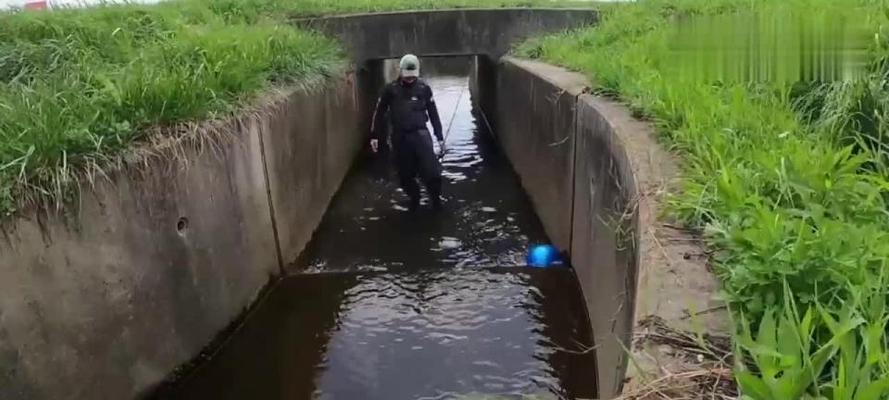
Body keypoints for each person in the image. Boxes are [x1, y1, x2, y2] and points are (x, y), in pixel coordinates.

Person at [370, 54, 446, 211]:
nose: (410, 79)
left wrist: (439, 137)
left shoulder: (424, 89)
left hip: (421, 135)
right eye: (407, 77)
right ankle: (415, 199)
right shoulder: (390, 90)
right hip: (400, 138)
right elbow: (379, 113)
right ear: (401, 71)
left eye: (413, 77)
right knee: (405, 175)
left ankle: (436, 201)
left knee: (433, 173)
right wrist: (375, 136)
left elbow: (433, 113)